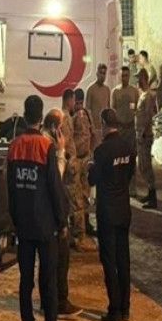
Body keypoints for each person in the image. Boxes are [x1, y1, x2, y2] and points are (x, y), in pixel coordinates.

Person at [7, 95, 69, 321]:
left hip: (24, 226)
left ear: (24, 115)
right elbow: (55, 188)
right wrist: (62, 221)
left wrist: (15, 221)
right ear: (41, 118)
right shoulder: (46, 147)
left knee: (25, 283)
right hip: (46, 227)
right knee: (48, 283)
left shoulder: (14, 147)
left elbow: (11, 189)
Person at [89, 108, 134, 321]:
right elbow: (129, 175)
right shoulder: (128, 147)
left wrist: (91, 167)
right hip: (124, 209)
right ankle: (125, 307)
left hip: (107, 211)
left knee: (109, 260)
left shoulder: (102, 151)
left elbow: (92, 180)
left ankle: (114, 310)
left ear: (104, 124)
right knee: (123, 258)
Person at [44, 108, 80, 317]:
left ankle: (49, 301)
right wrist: (61, 153)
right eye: (63, 127)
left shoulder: (43, 143)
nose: (66, 131)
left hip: (46, 212)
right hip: (53, 213)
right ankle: (59, 302)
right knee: (60, 258)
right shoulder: (50, 147)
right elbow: (55, 181)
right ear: (54, 128)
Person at [70, 88, 96, 248]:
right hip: (83, 158)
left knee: (80, 195)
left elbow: (87, 136)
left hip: (80, 159)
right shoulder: (85, 114)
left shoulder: (78, 116)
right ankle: (82, 226)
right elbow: (92, 135)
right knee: (82, 194)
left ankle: (81, 227)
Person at [135, 69, 159, 209]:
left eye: (138, 78)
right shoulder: (143, 95)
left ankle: (153, 198)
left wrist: (142, 133)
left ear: (143, 78)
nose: (137, 81)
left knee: (146, 166)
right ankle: (150, 193)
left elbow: (148, 115)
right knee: (142, 166)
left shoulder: (148, 96)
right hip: (141, 135)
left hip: (145, 136)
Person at [112, 66, 140, 170]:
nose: (124, 78)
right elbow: (113, 109)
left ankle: (131, 175)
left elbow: (137, 108)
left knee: (131, 153)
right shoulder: (115, 92)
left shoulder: (134, 91)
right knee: (119, 154)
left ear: (129, 76)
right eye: (122, 76)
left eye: (126, 75)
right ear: (119, 77)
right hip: (120, 128)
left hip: (131, 128)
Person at [85, 63, 111, 148]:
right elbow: (87, 110)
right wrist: (91, 128)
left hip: (105, 129)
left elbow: (108, 108)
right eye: (101, 73)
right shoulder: (91, 89)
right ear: (97, 74)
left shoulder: (107, 90)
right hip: (94, 129)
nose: (102, 76)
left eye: (104, 73)